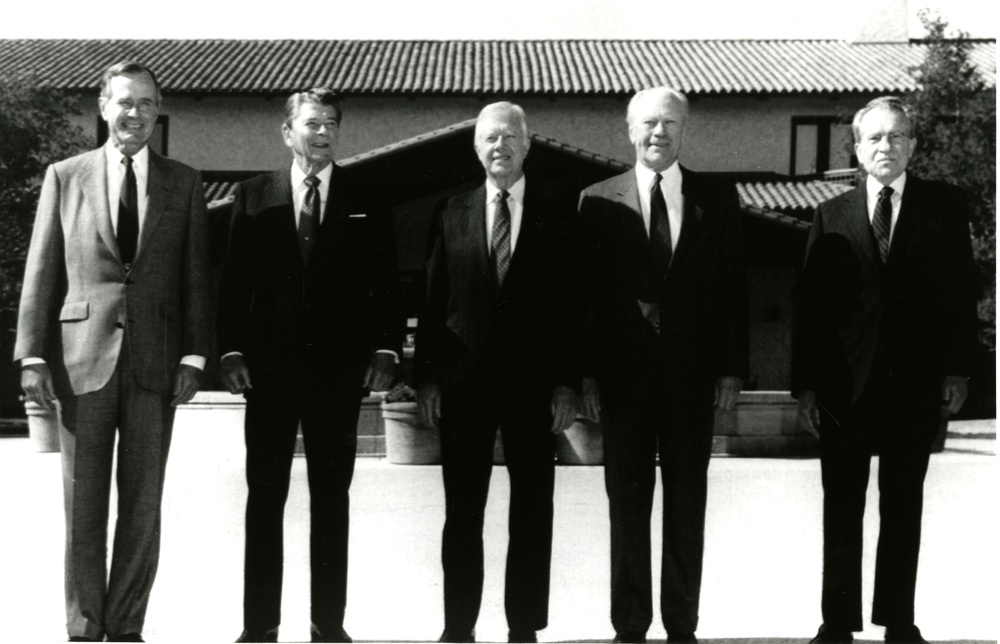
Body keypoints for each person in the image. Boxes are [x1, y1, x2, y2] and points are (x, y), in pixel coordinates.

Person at [15, 61, 210, 643]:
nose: (135, 114)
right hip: (81, 361)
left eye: (147, 104)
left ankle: (126, 628)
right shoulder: (65, 176)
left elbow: (197, 275)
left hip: (156, 363)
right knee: (83, 505)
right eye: (124, 102)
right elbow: (42, 268)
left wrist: (195, 356)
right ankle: (83, 626)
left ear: (158, 111)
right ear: (103, 107)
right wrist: (31, 355)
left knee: (143, 506)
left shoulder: (184, 182)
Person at [216, 88, 402, 643]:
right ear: (287, 132)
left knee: (331, 499)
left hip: (337, 376)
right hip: (268, 375)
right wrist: (230, 351)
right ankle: (259, 625)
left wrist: (387, 350)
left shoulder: (366, 194)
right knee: (265, 498)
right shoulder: (253, 196)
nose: (322, 133)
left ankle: (329, 624)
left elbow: (387, 284)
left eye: (331, 125)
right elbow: (233, 286)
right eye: (311, 124)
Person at [792, 96, 978, 644]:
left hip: (915, 385)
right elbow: (809, 308)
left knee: (903, 506)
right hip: (843, 386)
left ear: (913, 145)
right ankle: (838, 622)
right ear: (856, 147)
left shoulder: (944, 207)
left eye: (897, 137)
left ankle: (899, 620)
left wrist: (959, 372)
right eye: (874, 137)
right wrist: (806, 385)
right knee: (841, 508)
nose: (885, 146)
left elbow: (961, 292)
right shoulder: (832, 213)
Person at [577, 87, 748, 644]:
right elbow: (586, 300)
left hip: (691, 379)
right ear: (629, 130)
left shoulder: (717, 200)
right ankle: (629, 626)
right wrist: (587, 375)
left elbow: (733, 291)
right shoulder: (596, 201)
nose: (659, 133)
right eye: (648, 123)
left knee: (686, 503)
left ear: (684, 131)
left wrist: (730, 369)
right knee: (626, 507)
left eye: (670, 123)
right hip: (623, 383)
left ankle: (682, 625)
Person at [414, 101, 581, 644]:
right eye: (490, 137)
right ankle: (458, 625)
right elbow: (433, 300)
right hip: (464, 387)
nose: (500, 146)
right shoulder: (450, 211)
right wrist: (429, 378)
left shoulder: (560, 213)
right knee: (462, 511)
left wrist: (566, 382)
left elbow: (572, 308)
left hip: (535, 388)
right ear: (476, 146)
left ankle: (523, 627)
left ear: (528, 144)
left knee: (532, 510)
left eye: (511, 136)